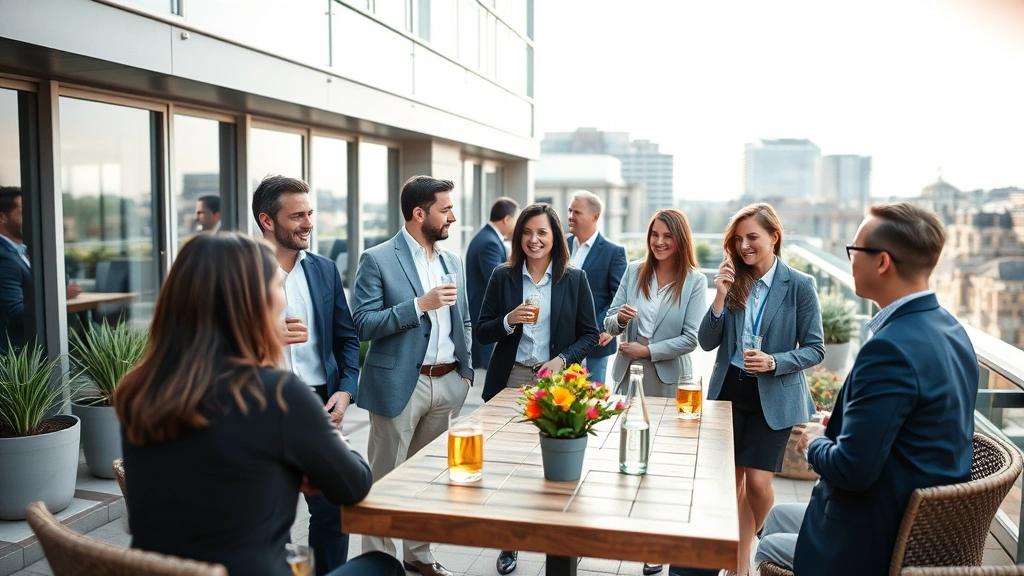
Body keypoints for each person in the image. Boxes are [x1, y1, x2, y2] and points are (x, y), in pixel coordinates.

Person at [115, 232, 402, 576]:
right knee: (382, 566)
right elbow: (355, 483)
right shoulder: (277, 394)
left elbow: (212, 469)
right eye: (275, 287)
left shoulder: (139, 390)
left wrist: (276, 471)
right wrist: (326, 443)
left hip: (161, 570)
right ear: (254, 303)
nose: (283, 299)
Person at [754, 203, 979, 576]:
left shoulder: (889, 349)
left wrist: (814, 443)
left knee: (767, 545)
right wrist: (844, 426)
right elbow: (911, 427)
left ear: (882, 262)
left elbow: (851, 471)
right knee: (777, 516)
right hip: (924, 522)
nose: (851, 260)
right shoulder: (951, 330)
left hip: (878, 534)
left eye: (854, 250)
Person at [351, 175, 473, 576]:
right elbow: (362, 323)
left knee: (430, 477)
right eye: (446, 209)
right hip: (400, 385)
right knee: (385, 480)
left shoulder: (452, 261)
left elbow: (464, 320)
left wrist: (465, 373)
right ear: (419, 213)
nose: (452, 217)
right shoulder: (377, 258)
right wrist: (419, 305)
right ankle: (379, 563)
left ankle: (418, 554)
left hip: (448, 383)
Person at [697, 203, 824, 576]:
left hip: (774, 395)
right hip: (730, 391)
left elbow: (815, 348)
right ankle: (739, 565)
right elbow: (707, 342)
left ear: (774, 237)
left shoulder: (799, 285)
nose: (744, 246)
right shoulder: (733, 279)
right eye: (738, 239)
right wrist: (719, 296)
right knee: (731, 482)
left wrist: (774, 361)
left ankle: (765, 541)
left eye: (752, 237)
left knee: (756, 483)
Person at [476, 202, 600, 575]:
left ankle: (559, 544)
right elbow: (482, 330)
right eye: (527, 232)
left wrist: (562, 360)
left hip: (556, 382)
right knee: (509, 465)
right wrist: (508, 320)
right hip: (511, 379)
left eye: (542, 232)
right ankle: (510, 543)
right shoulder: (503, 276)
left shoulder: (574, 278)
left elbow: (590, 334)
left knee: (556, 467)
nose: (534, 240)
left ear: (555, 237)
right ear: (518, 237)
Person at [252, 175, 361, 575]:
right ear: (267, 221)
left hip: (317, 404)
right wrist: (266, 335)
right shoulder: (240, 274)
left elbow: (347, 339)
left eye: (310, 213)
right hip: (261, 406)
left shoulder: (324, 270)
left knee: (334, 507)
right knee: (269, 515)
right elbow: (216, 343)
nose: (308, 223)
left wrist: (346, 391)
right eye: (297, 216)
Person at [603, 209, 707, 576]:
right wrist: (620, 320)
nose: (659, 242)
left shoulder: (694, 281)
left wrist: (647, 351)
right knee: (634, 456)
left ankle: (659, 544)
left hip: (667, 377)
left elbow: (691, 338)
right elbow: (609, 321)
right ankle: (636, 531)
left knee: (665, 463)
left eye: (667, 236)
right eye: (654, 235)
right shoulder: (635, 270)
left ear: (681, 240)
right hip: (629, 373)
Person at [0, 186, 80, 353]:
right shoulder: (4, 258)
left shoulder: (22, 250)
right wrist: (57, 296)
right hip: (19, 355)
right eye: (24, 213)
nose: (32, 218)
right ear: (2, 217)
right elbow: (14, 314)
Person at [567, 190, 627, 385]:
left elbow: (619, 297)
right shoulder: (560, 246)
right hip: (561, 343)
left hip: (597, 341)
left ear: (595, 217)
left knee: (593, 396)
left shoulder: (613, 252)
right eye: (570, 211)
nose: (570, 216)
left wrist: (604, 328)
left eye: (577, 212)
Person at [466, 196, 519, 369]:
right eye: (515, 220)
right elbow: (497, 280)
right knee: (489, 370)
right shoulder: (489, 242)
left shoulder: (486, 237)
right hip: (486, 315)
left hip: (483, 312)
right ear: (507, 219)